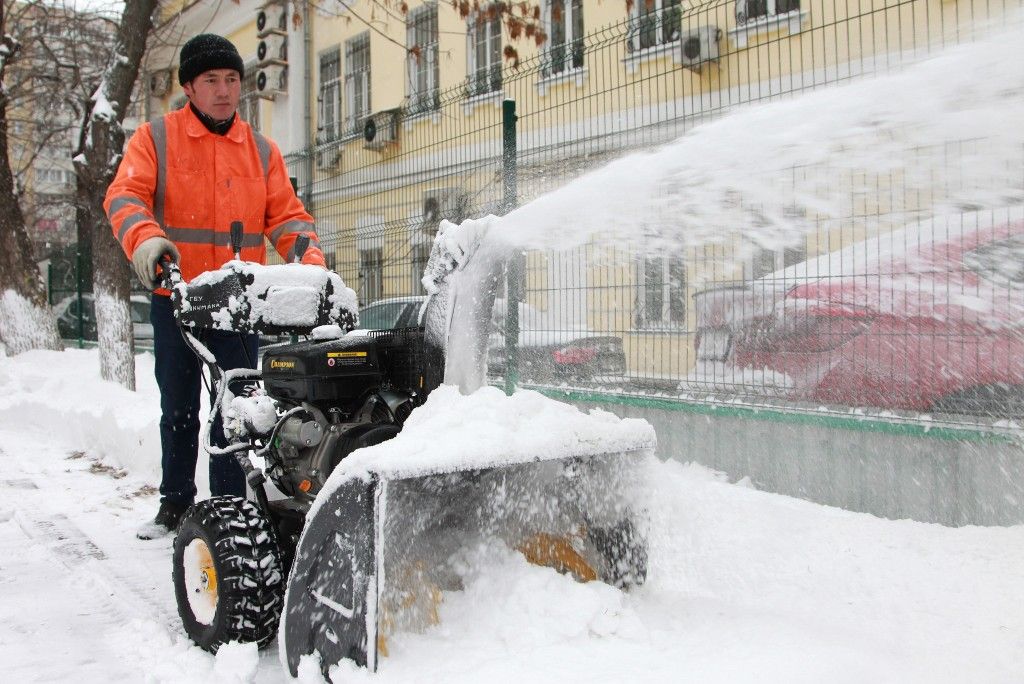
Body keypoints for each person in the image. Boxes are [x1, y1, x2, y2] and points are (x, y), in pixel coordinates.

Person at [104, 34, 326, 540]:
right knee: (179, 407)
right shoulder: (155, 139)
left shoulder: (260, 150)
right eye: (212, 81)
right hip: (177, 300)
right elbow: (125, 196)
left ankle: (228, 513)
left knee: (237, 410)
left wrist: (310, 261)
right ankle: (175, 503)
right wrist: (148, 244)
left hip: (237, 308)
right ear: (189, 86)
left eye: (231, 80)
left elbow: (288, 218)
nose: (225, 91)